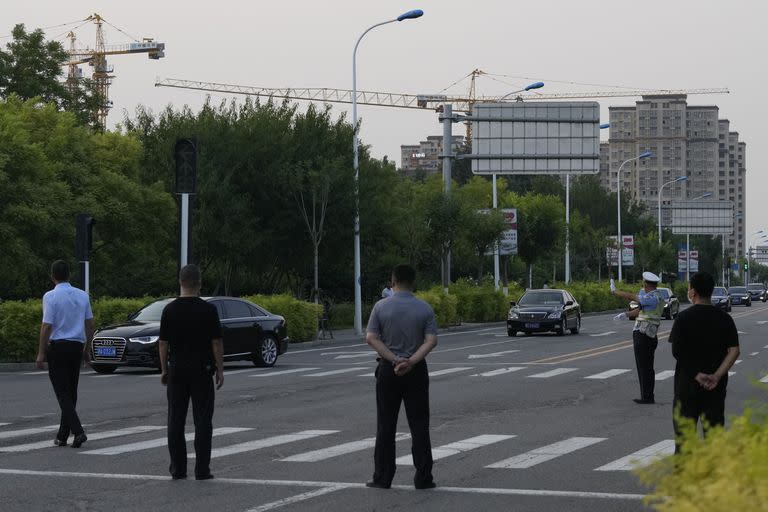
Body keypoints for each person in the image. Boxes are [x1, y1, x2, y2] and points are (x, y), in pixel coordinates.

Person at [365, 264, 438, 490]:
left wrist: (394, 359)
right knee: (419, 425)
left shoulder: (380, 307)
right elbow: (431, 340)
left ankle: (383, 477)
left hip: (388, 370)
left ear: (392, 280)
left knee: (386, 425)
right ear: (413, 282)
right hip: (416, 371)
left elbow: (371, 338)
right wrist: (411, 361)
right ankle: (423, 478)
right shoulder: (424, 308)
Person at [159, 264, 224, 480]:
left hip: (177, 369)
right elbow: (216, 343)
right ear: (200, 283)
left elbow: (163, 344)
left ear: (180, 281)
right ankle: (202, 470)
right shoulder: (208, 310)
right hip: (202, 370)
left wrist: (164, 369)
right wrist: (220, 369)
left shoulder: (169, 310)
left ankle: (178, 469)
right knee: (203, 419)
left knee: (175, 419)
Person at [669, 272, 739, 453]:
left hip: (687, 387)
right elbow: (734, 351)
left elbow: (678, 352)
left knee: (684, 443)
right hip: (715, 389)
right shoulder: (724, 318)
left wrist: (696, 374)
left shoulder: (683, 318)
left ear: (693, 291)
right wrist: (716, 376)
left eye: (689, 288)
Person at [35, 260, 94, 448]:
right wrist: (86, 350)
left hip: (58, 348)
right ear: (69, 275)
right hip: (76, 347)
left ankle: (78, 432)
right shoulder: (82, 295)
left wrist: (41, 352)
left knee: (62, 393)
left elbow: (46, 326)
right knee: (71, 392)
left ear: (52, 276)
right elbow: (89, 325)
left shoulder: (50, 296)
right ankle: (62, 436)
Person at [610, 271, 664, 404]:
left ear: (646, 284)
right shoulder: (655, 296)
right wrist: (625, 314)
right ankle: (647, 395)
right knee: (645, 367)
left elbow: (632, 297)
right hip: (647, 334)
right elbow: (640, 310)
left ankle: (647, 397)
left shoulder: (652, 297)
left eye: (643, 283)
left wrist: (615, 291)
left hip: (644, 335)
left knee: (644, 367)